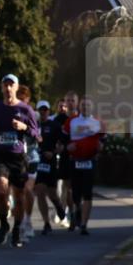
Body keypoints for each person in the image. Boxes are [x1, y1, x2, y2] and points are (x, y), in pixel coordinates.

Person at [0, 74, 39, 248]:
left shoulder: (26, 110)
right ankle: (4, 224)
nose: (8, 88)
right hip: (0, 155)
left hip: (18, 157)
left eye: (11, 85)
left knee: (19, 195)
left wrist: (24, 127)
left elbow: (36, 134)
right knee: (2, 190)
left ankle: (16, 229)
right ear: (1, 87)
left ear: (17, 88)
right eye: (5, 85)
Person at [63, 96, 105, 235]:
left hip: (90, 160)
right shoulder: (72, 121)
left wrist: (101, 147)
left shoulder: (98, 122)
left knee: (87, 193)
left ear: (91, 107)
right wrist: (68, 147)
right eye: (83, 105)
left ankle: (84, 225)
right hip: (75, 160)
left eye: (88, 105)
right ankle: (77, 210)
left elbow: (104, 140)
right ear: (79, 107)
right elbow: (63, 139)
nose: (85, 107)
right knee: (75, 193)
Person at [34, 99, 68, 234]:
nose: (43, 112)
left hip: (51, 162)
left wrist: (54, 152)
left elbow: (62, 144)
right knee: (40, 191)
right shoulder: (33, 125)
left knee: (52, 192)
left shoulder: (54, 126)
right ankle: (46, 223)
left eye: (45, 110)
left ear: (48, 111)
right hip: (37, 162)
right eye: (40, 110)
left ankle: (59, 207)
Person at [16, 85, 40, 239]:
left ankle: (27, 220)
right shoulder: (13, 113)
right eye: (19, 98)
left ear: (28, 99)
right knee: (19, 192)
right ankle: (20, 221)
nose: (21, 101)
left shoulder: (33, 114)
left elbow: (38, 135)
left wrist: (31, 131)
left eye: (24, 98)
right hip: (18, 158)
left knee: (28, 190)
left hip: (31, 157)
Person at [55, 91, 79, 223]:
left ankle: (77, 211)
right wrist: (58, 147)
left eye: (72, 101)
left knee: (76, 188)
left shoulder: (81, 119)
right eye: (67, 101)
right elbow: (56, 138)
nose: (69, 103)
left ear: (77, 102)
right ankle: (71, 213)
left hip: (79, 157)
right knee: (67, 187)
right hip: (64, 157)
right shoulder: (59, 120)